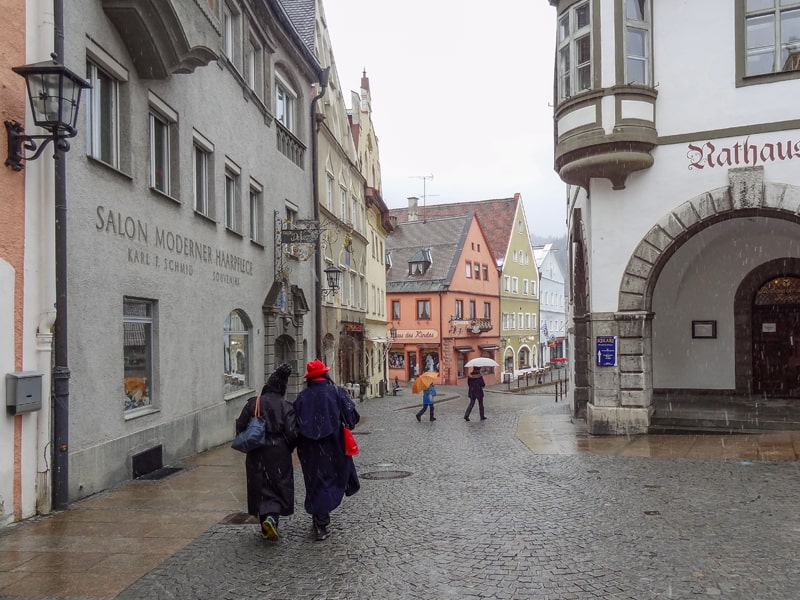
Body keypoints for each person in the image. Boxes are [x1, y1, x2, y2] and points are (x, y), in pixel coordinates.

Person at [293, 359, 361, 541]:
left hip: (309, 450)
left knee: (315, 482)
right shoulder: (337, 393)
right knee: (333, 479)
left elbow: (294, 427)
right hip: (334, 447)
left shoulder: (301, 398)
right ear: (325, 374)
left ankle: (319, 517)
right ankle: (321, 521)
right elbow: (352, 418)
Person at [234, 363, 297, 541]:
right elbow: (292, 433)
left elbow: (240, 425)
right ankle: (271, 520)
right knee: (278, 485)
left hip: (256, 450)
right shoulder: (286, 406)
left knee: (259, 485)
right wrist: (288, 447)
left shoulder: (255, 403)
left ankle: (265, 524)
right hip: (279, 452)